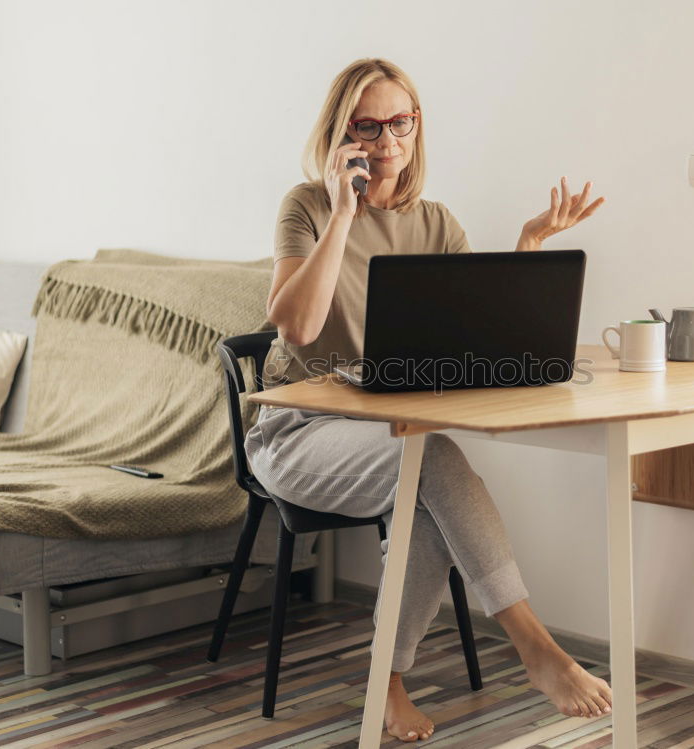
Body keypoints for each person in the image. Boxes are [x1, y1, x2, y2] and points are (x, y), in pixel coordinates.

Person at [244, 57, 608, 743]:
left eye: (400, 123)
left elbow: (476, 333)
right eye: (368, 126)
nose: (386, 143)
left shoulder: (434, 222)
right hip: (294, 430)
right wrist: (343, 216)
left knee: (426, 474)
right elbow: (296, 326)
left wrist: (528, 247)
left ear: (417, 128)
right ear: (342, 133)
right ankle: (535, 646)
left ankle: (388, 680)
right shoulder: (309, 207)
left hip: (387, 430)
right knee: (432, 461)